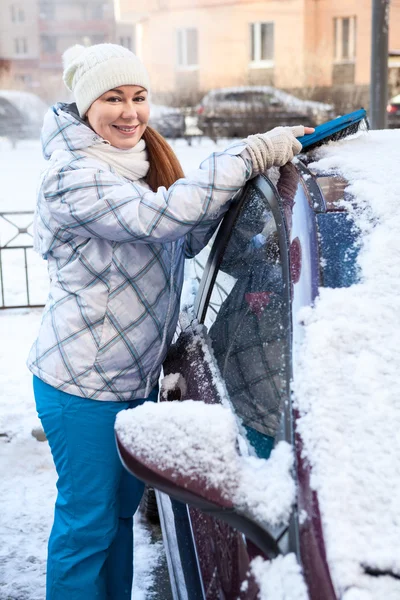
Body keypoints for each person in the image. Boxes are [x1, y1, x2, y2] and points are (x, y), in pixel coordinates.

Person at [27, 43, 313, 600]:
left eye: (138, 97)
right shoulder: (73, 178)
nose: (129, 112)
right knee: (88, 525)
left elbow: (185, 238)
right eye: (113, 98)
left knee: (115, 522)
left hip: (132, 380)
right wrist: (247, 156)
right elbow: (160, 219)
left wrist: (262, 241)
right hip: (82, 384)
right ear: (86, 107)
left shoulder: (135, 165)